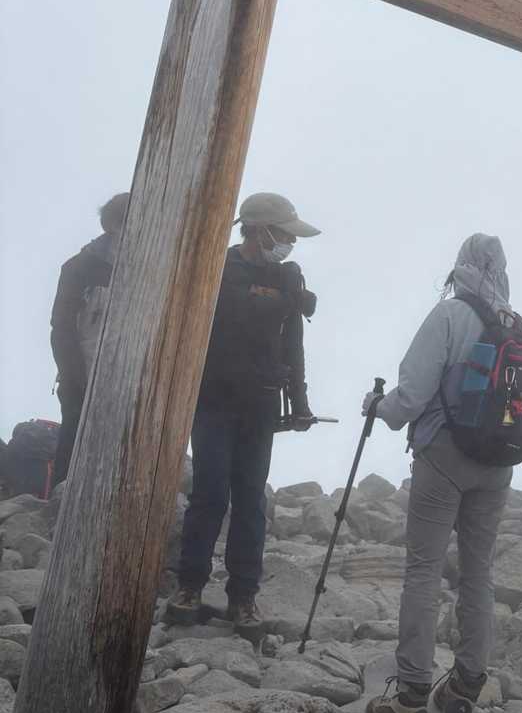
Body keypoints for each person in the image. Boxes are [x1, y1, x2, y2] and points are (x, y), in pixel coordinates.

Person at [364, 233, 522, 713]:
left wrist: (377, 408)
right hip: (498, 464)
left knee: (423, 569)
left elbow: (410, 398)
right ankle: (464, 689)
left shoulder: (449, 315)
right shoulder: (516, 326)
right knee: (478, 571)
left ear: (462, 265)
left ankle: (410, 699)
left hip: (443, 457)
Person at [166, 192, 320, 631]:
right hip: (213, 399)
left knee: (252, 500)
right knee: (210, 493)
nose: (290, 242)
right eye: (285, 233)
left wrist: (301, 403)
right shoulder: (219, 268)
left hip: (261, 403)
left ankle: (243, 596)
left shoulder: (287, 275)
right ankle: (189, 585)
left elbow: (292, 344)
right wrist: (290, 299)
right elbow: (237, 309)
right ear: (259, 230)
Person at [50, 192, 130, 484]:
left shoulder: (153, 270)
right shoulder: (79, 267)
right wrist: (76, 378)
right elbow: (61, 327)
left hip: (130, 382)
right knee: (74, 447)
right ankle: (60, 501)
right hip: (82, 377)